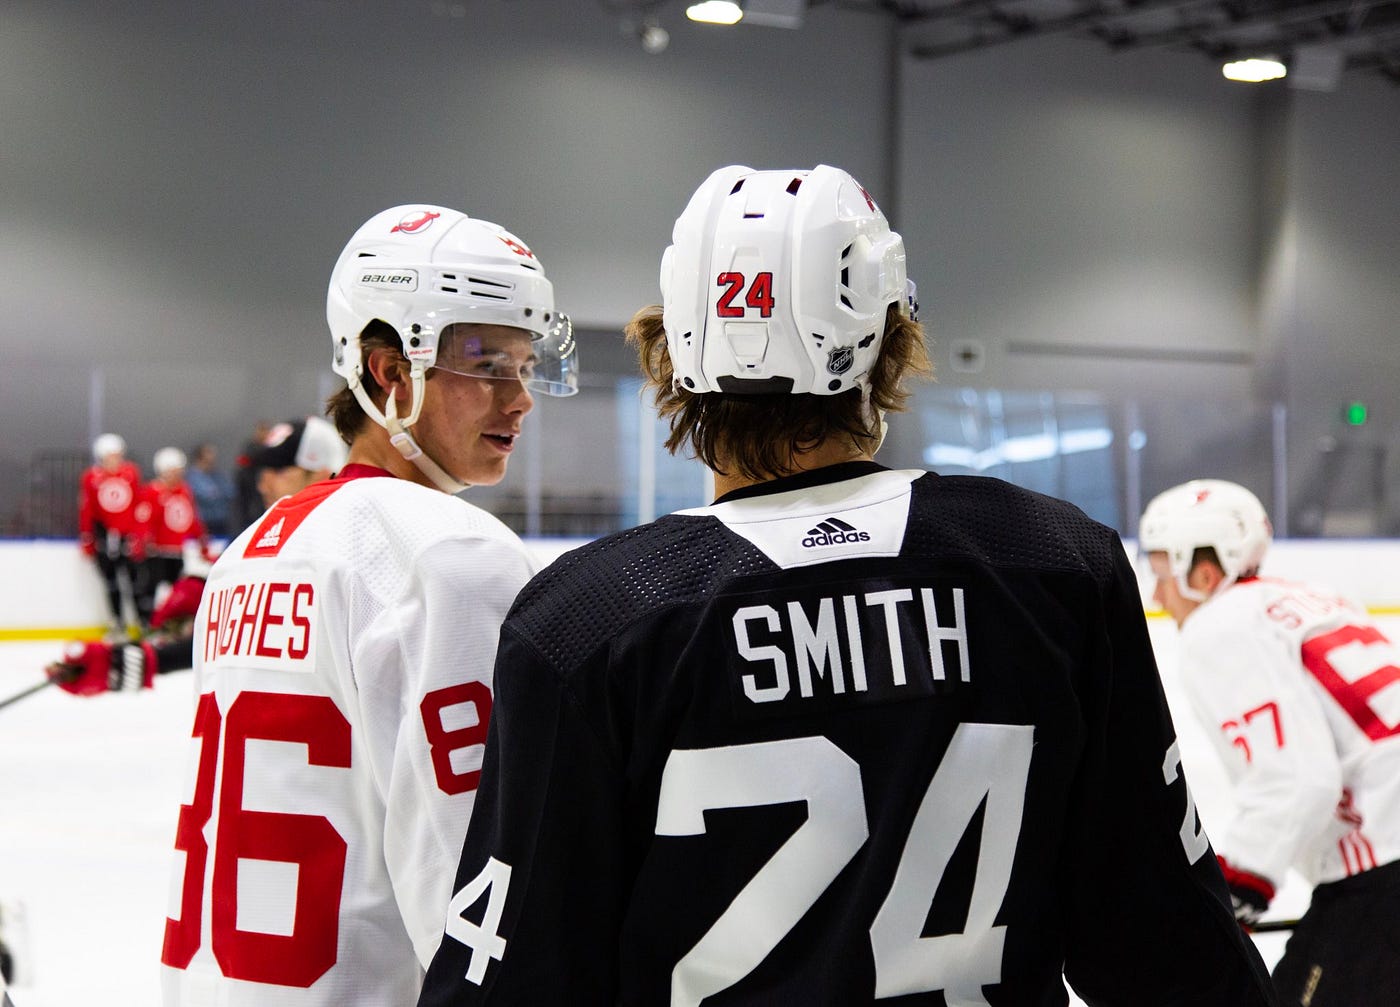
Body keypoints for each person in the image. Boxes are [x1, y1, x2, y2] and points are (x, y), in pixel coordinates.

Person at [418, 165, 1277, 1007]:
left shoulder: (591, 619)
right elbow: (1165, 945)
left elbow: (521, 975)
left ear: (673, 350)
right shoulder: (1055, 563)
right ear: (890, 340)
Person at [158, 203, 578, 1006]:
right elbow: (481, 894)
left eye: (527, 367)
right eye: (489, 364)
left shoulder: (247, 554)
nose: (520, 399)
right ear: (390, 370)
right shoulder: (450, 554)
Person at [1139, 479, 1400, 1006]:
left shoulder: (1220, 627)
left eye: (1163, 574)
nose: (1156, 595)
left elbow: (1297, 781)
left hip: (1381, 871)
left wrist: (1236, 894)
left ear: (1202, 573)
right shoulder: (1309, 600)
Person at [44, 417, 349, 697]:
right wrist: (131, 660)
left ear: (321, 472)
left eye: (278, 471)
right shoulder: (271, 536)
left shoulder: (342, 546)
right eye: (261, 471)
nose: (262, 483)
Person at [77, 432, 145, 637]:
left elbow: (138, 504)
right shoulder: (91, 477)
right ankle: (118, 621)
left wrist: (139, 534)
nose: (115, 459)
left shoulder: (131, 473)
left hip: (128, 536)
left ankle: (142, 622)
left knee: (135, 582)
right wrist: (88, 538)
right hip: (105, 537)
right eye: (110, 455)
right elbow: (87, 509)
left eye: (117, 455)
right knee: (112, 582)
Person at [136, 447, 208, 625]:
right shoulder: (153, 492)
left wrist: (202, 542)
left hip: (176, 550)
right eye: (173, 471)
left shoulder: (184, 491)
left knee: (177, 591)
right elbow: (144, 519)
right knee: (150, 590)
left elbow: (192, 518)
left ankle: (171, 623)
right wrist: (141, 542)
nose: (177, 475)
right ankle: (148, 624)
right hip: (157, 552)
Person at [185, 443, 237, 538]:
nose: (213, 457)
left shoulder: (217, 475)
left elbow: (230, 492)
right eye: (209, 453)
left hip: (222, 521)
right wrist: (217, 494)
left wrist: (218, 493)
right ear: (200, 457)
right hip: (204, 523)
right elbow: (207, 496)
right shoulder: (193, 477)